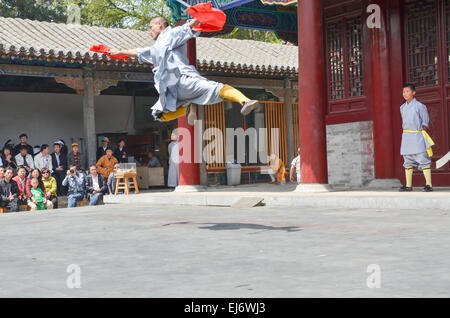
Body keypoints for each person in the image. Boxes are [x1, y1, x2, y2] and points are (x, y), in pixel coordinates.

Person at [108, 17, 259, 126]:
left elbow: (185, 28)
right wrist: (119, 52)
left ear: (159, 25)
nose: (149, 31)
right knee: (158, 114)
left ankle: (246, 101)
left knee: (218, 88)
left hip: (184, 79)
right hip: (171, 90)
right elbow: (140, 52)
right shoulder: (156, 48)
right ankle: (187, 109)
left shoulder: (171, 34)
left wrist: (198, 18)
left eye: (150, 27)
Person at [399, 83, 435, 192]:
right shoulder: (402, 107)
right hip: (406, 136)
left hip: (417, 135)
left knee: (422, 158)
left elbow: (425, 121)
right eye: (404, 92)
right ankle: (408, 185)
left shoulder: (420, 106)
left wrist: (421, 131)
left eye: (407, 91)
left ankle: (429, 184)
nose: (405, 94)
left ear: (413, 92)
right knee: (408, 160)